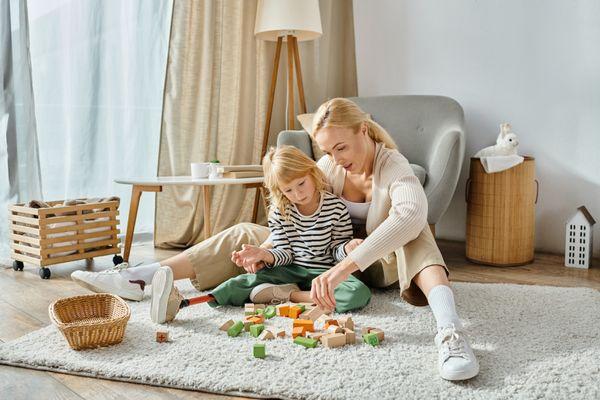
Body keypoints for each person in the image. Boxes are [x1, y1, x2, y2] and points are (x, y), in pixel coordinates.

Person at [71, 97, 478, 381]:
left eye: (341, 146)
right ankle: (142, 277)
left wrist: (342, 268)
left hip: (369, 264)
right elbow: (290, 207)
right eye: (327, 150)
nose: (335, 158)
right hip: (318, 259)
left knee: (415, 231)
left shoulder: (394, 167)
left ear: (364, 129)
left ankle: (451, 333)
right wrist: (264, 251)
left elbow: (410, 213)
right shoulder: (327, 168)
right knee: (246, 231)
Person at [148, 145, 369, 324]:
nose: (298, 194)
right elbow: (285, 253)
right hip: (290, 270)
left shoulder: (336, 208)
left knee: (356, 293)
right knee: (241, 282)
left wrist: (347, 248)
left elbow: (335, 250)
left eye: (301, 184)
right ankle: (181, 303)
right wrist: (264, 254)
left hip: (325, 273)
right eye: (288, 190)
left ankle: (290, 296)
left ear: (312, 173)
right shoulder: (281, 212)